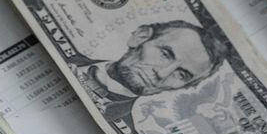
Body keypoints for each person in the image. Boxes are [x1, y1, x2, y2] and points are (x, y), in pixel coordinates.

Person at [69, 19, 230, 109]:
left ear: (186, 86)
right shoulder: (68, 55)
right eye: (165, 54)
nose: (162, 74)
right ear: (140, 37)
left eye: (182, 74)